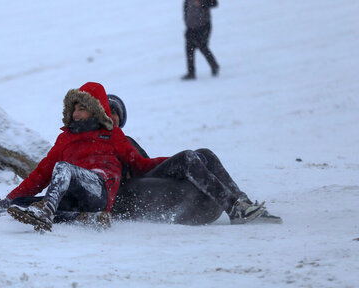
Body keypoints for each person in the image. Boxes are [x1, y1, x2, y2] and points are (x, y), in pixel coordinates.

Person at [3, 82, 168, 232]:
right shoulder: (65, 139)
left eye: (81, 109)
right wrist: (7, 200)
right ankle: (85, 218)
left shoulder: (112, 134)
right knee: (19, 204)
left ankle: (46, 213)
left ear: (95, 110)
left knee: (63, 168)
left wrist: (173, 161)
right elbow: (41, 174)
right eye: (74, 109)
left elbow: (140, 164)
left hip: (99, 190)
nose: (75, 114)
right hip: (73, 196)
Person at [107, 94, 282, 224]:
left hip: (144, 180)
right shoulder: (100, 141)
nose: (111, 116)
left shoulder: (125, 140)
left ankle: (243, 204)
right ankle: (232, 208)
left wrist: (178, 166)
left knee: (205, 154)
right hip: (129, 194)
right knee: (187, 158)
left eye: (115, 112)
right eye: (107, 112)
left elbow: (144, 164)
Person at [182, 0, 220, 80]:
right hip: (191, 25)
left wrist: (202, 3)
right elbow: (185, 7)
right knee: (189, 49)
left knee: (202, 46)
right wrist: (186, 20)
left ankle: (214, 66)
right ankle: (191, 73)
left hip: (203, 24)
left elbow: (214, 3)